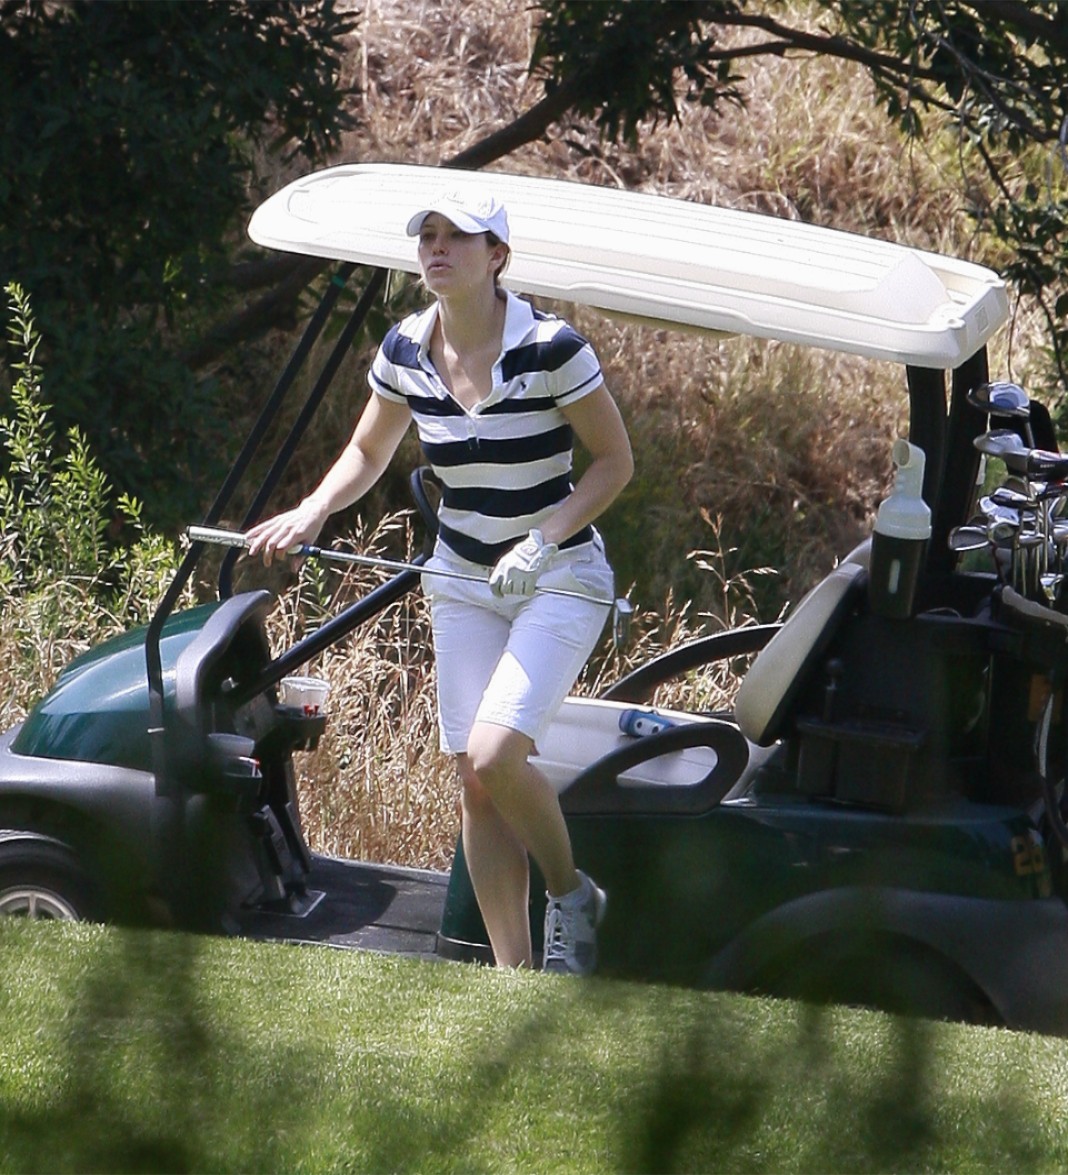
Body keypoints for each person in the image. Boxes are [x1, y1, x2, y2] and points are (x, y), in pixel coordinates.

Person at [246, 189, 633, 975]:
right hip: (461, 580)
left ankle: (572, 895)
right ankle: (514, 977)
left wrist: (542, 539)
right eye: (428, 234)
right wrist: (314, 509)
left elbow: (614, 463)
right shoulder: (404, 349)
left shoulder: (552, 348)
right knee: (476, 782)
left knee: (494, 754)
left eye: (459, 235)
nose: (438, 247)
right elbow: (368, 451)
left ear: (498, 257)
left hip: (559, 577)